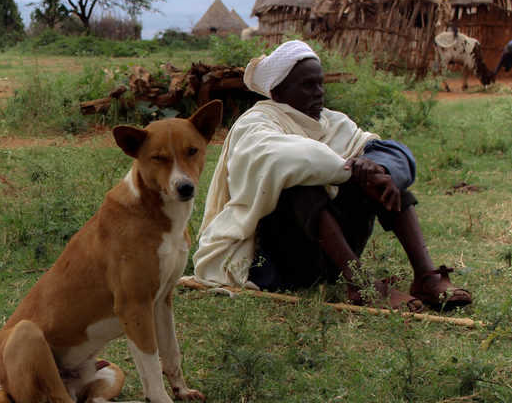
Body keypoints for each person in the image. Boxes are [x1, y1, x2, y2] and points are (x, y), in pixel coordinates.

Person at [191, 40, 472, 311]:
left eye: (320, 84)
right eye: (307, 85)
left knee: (386, 180)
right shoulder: (256, 122)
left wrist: (378, 170)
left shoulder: (332, 122)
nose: (319, 93)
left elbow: (395, 153)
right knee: (301, 185)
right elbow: (284, 157)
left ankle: (426, 277)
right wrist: (352, 172)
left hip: (328, 257)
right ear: (278, 92)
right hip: (278, 260)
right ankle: (361, 284)